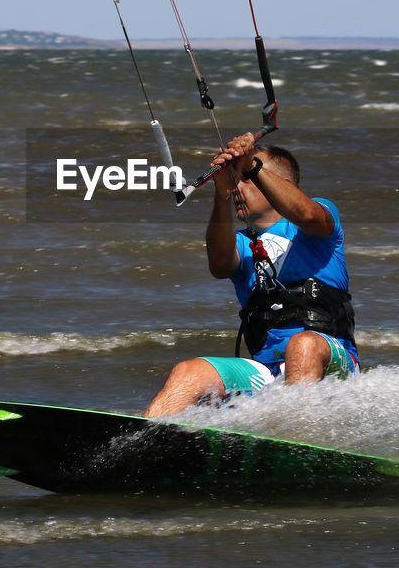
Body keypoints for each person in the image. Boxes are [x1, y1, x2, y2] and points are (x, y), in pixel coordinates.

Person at [144, 132, 358, 417]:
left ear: (283, 184)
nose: (237, 188)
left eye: (245, 180)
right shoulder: (242, 243)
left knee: (302, 344)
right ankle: (144, 440)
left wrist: (251, 167)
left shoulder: (319, 215)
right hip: (267, 372)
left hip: (331, 360)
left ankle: (298, 437)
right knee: (189, 371)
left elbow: (307, 215)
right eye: (237, 180)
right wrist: (220, 195)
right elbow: (219, 265)